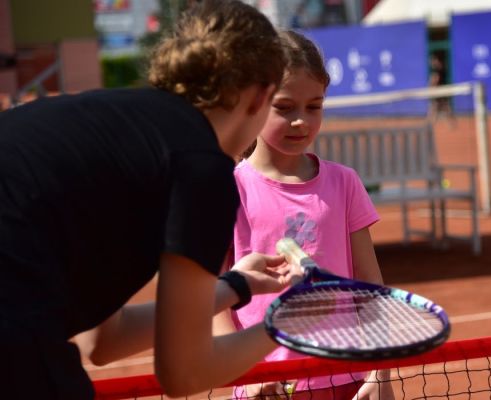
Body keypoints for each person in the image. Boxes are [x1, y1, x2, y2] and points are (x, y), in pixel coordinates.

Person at [0, 1, 304, 398]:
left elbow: (106, 341)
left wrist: (235, 286)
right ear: (260, 95)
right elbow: (186, 375)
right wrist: (287, 322)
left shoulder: (118, 133)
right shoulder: (200, 165)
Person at [213, 30, 394, 399]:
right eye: (284, 107)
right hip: (264, 387)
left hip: (346, 378)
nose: (301, 121)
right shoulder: (227, 191)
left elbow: (370, 288)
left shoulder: (344, 183)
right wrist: (244, 376)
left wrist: (381, 373)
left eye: (314, 106)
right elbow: (211, 302)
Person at [428, 52, 456, 128]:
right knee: (435, 107)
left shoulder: (438, 70)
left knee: (443, 107)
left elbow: (435, 80)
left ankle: (451, 123)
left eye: (433, 60)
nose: (431, 62)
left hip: (440, 92)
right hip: (439, 92)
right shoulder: (439, 69)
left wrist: (432, 86)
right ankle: (432, 123)